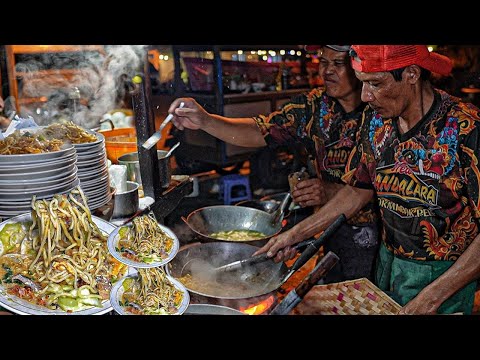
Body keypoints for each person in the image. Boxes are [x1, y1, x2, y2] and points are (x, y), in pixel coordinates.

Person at [257, 45, 480, 315]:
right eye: (362, 83)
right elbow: (358, 191)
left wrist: (431, 299)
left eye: (375, 83)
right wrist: (296, 235)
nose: (365, 95)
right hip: (387, 263)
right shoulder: (376, 121)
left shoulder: (465, 128)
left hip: (446, 277)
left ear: (411, 74)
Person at [169, 45, 380, 283]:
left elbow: (375, 186)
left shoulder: (380, 110)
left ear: (360, 67)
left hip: (380, 237)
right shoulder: (313, 107)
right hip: (327, 228)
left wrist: (329, 191)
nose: (327, 70)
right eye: (323, 62)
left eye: (338, 64)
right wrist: (205, 120)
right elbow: (261, 130)